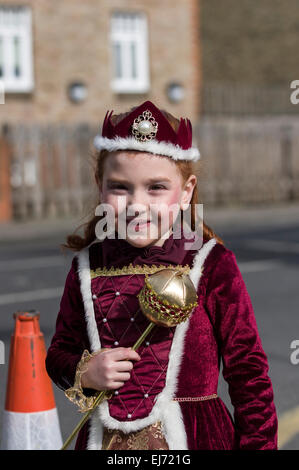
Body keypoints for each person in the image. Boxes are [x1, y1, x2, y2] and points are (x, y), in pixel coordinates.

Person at [45, 100, 278, 450]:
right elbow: (60, 352)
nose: (137, 204)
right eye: (120, 187)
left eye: (156, 188)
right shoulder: (87, 264)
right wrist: (86, 373)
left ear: (185, 192)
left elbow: (249, 372)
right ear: (99, 185)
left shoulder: (211, 262)